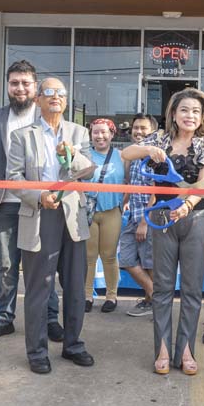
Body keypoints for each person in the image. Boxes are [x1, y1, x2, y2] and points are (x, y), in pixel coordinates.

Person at [122, 88, 204, 375]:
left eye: (196, 111)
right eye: (184, 110)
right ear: (174, 114)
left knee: (192, 288)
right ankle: (163, 349)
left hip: (196, 217)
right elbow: (126, 153)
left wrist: (187, 205)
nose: (190, 115)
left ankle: (186, 349)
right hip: (161, 217)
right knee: (163, 287)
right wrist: (148, 150)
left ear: (202, 116)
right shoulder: (160, 138)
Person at [8, 78, 96, 374]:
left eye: (60, 93)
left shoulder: (78, 132)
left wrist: (71, 154)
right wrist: (39, 196)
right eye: (48, 92)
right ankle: (37, 351)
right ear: (37, 100)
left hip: (72, 217)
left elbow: (87, 171)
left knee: (75, 286)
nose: (55, 96)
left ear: (66, 100)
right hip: (39, 215)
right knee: (39, 287)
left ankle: (73, 345)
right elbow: (13, 177)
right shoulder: (22, 135)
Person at [0, 60, 62, 342]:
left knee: (44, 266)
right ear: (8, 86)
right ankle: (3, 318)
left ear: (35, 87)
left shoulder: (48, 116)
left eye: (26, 83)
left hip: (40, 205)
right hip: (5, 204)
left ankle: (50, 318)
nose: (20, 88)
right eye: (14, 83)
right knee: (6, 265)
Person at [85, 118, 125, 313]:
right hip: (89, 212)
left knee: (109, 256)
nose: (100, 136)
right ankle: (86, 295)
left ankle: (111, 296)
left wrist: (122, 203)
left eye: (104, 132)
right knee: (89, 256)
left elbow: (128, 181)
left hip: (112, 211)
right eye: (95, 132)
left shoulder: (121, 156)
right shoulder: (84, 155)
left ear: (112, 134)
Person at [119, 113, 157, 317]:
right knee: (126, 260)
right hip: (133, 216)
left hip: (149, 219)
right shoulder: (134, 156)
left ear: (153, 132)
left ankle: (153, 303)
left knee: (149, 263)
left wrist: (144, 222)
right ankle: (155, 297)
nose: (139, 132)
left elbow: (156, 191)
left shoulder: (154, 158)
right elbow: (133, 185)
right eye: (136, 128)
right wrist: (125, 201)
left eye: (144, 128)